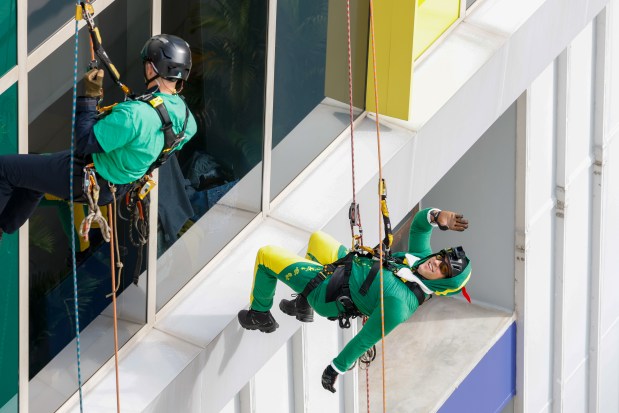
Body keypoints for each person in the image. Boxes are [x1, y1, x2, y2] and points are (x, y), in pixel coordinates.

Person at [237, 207, 472, 393]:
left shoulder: (399, 305)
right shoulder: (419, 259)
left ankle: (259, 314)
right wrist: (437, 215)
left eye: (442, 269)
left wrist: (335, 368)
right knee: (318, 239)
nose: (434, 263)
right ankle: (302, 303)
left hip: (329, 291)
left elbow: (365, 339)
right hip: (347, 267)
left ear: (441, 283)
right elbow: (420, 226)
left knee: (266, 256)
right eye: (440, 257)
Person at [0, 34, 197, 241]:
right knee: (32, 175)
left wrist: (89, 96)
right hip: (114, 184)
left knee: (4, 168)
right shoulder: (186, 120)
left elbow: (85, 142)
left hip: (86, 175)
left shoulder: (135, 114)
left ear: (151, 68)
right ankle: (5, 226)